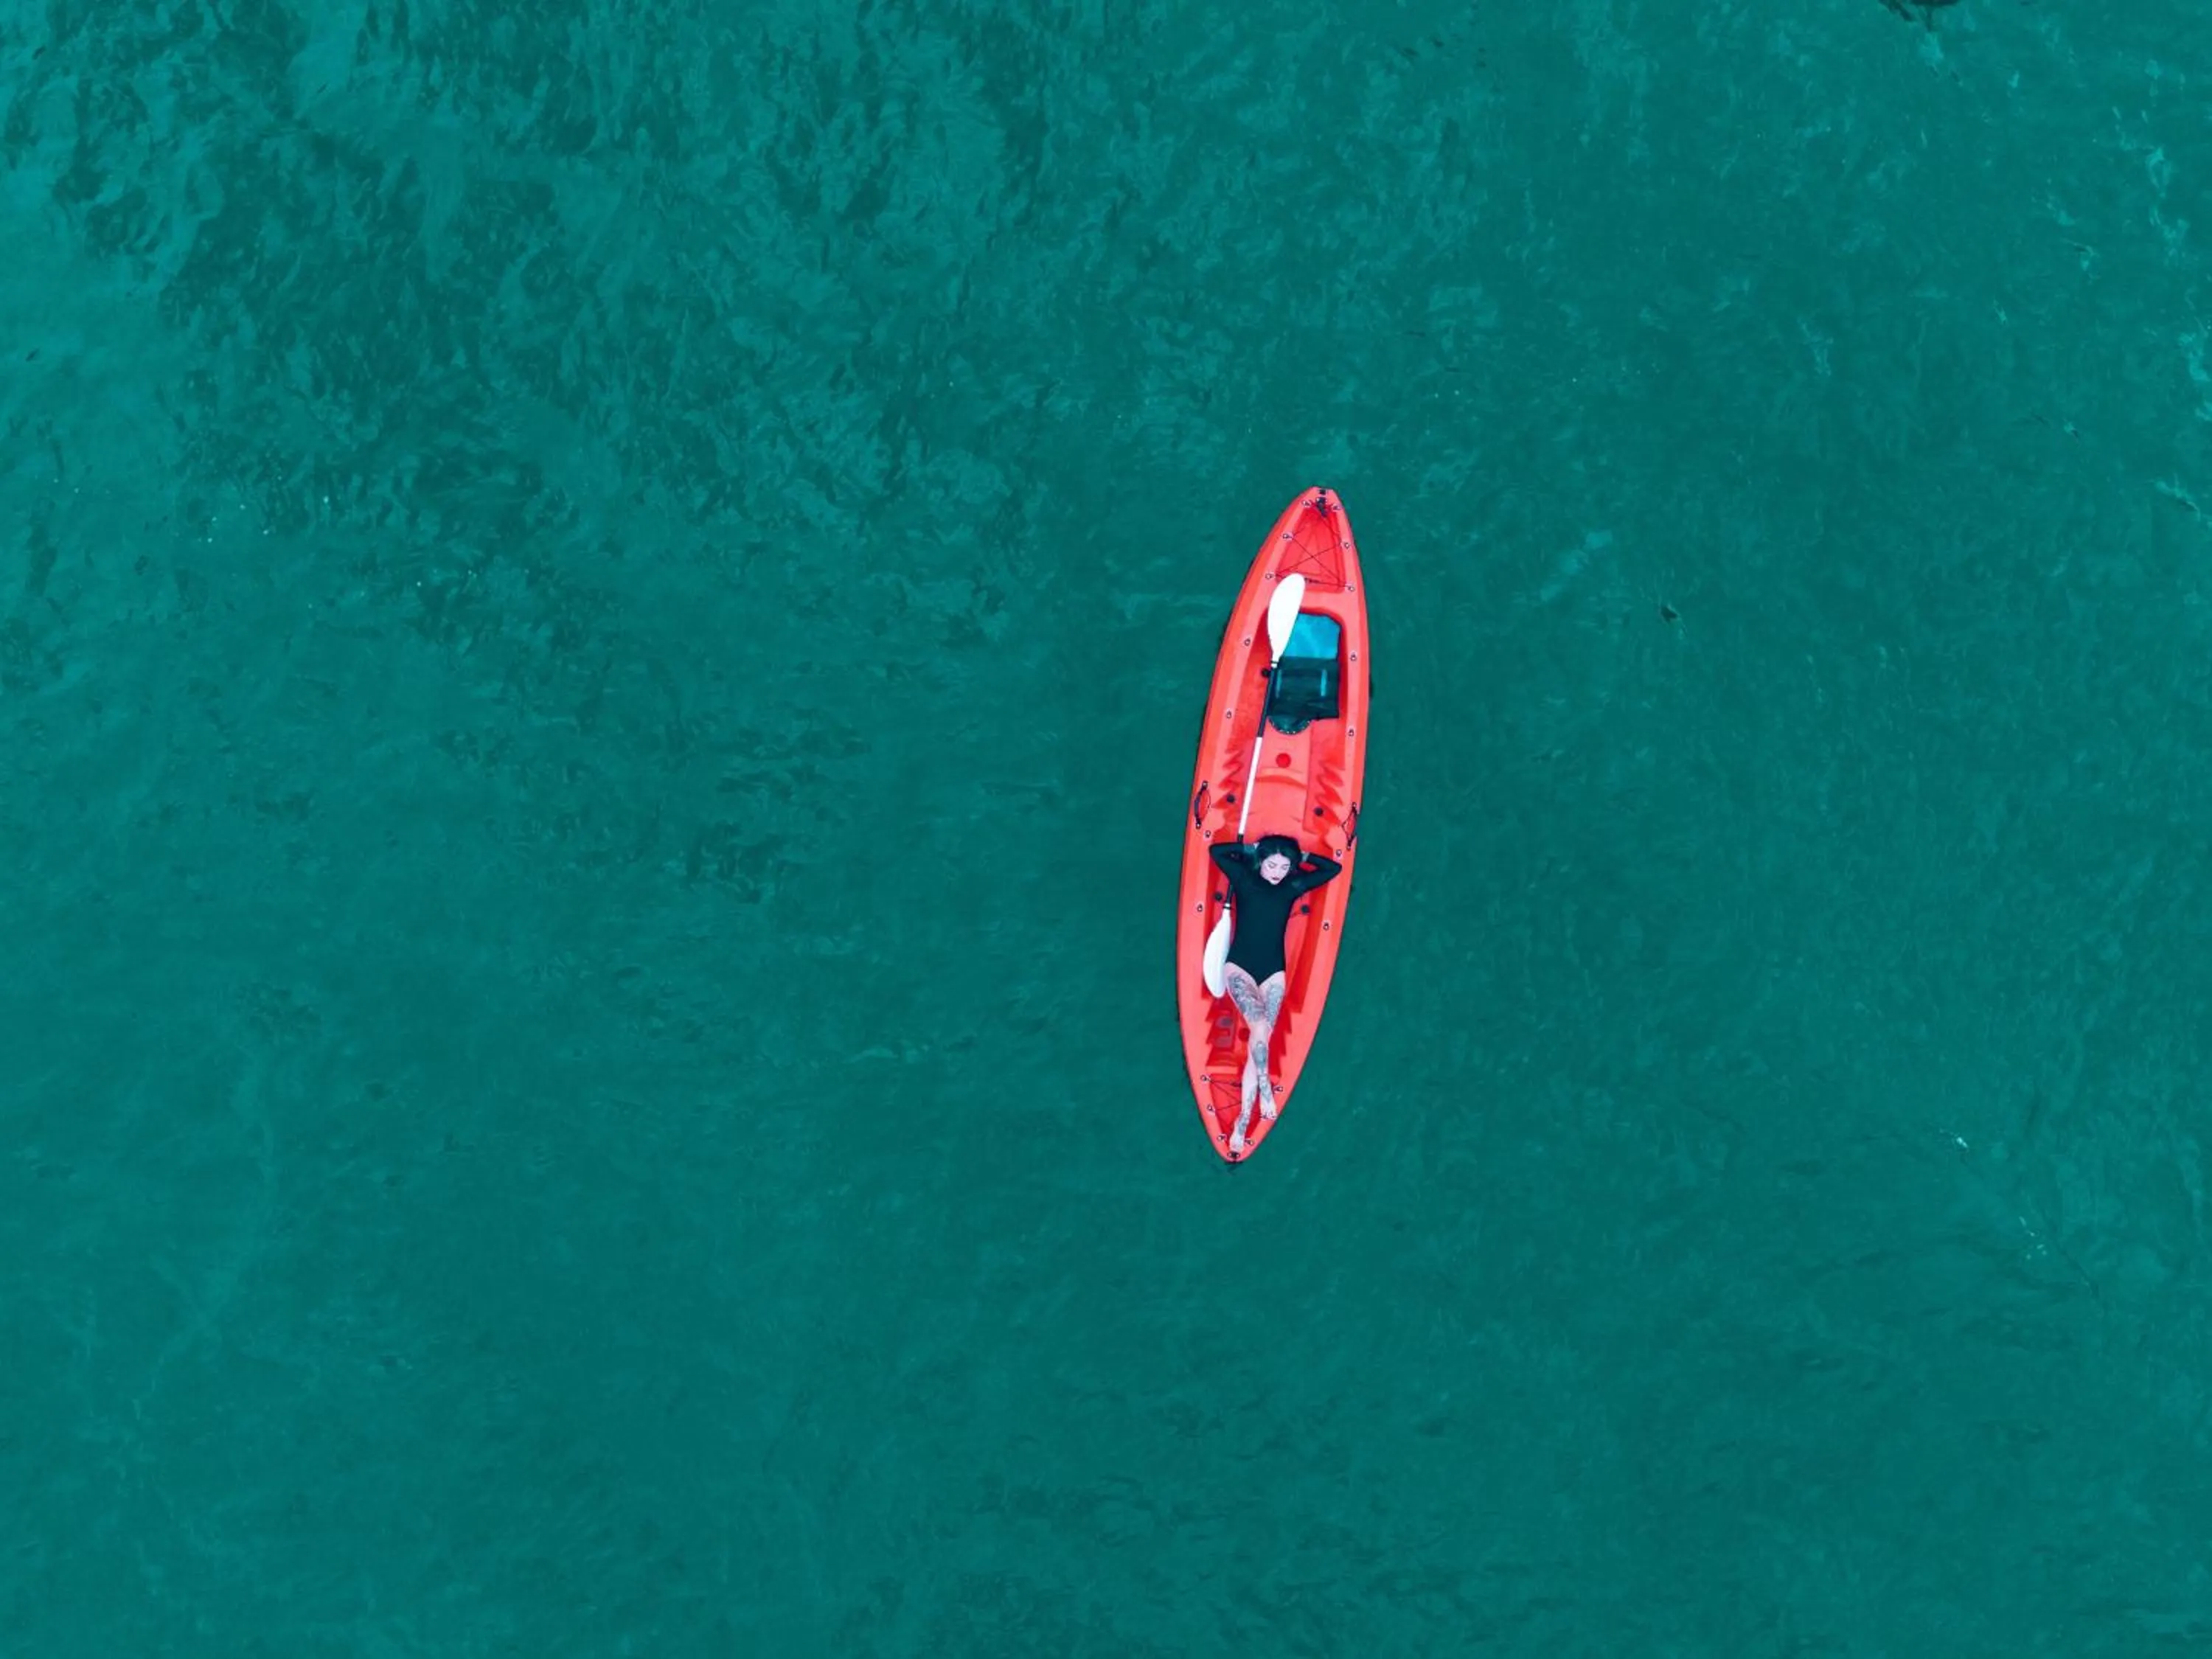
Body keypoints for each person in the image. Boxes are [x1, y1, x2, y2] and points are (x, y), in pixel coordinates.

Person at [1207, 834, 1343, 1155]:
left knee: (1262, 1036)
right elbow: (1217, 852)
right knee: (1259, 1030)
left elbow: (1331, 870)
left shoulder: (1293, 886)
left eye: (1285, 866)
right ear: (1261, 862)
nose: (1277, 872)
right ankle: (1264, 1091)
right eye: (1272, 864)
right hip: (1239, 968)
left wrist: (1302, 854)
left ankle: (1243, 1119)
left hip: (1273, 974)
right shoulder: (1243, 877)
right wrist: (1252, 849)